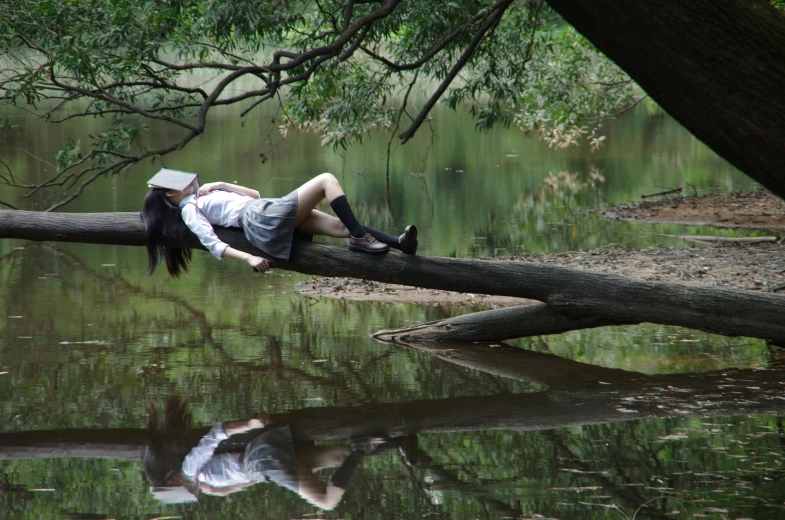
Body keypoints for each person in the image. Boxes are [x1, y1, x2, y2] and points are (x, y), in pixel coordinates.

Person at [141, 169, 418, 277]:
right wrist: (249, 258)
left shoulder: (203, 195)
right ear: (170, 193)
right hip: (260, 218)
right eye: (183, 182)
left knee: (341, 227)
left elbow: (254, 195)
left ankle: (398, 244)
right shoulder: (190, 209)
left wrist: (223, 184)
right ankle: (360, 240)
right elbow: (213, 244)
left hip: (262, 208)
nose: (192, 180)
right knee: (325, 180)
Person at [144, 396, 403, 510]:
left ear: (173, 481)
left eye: (186, 491)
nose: (193, 493)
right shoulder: (202, 480)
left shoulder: (190, 469)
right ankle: (401, 444)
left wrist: (249, 425)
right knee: (339, 457)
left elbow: (214, 436)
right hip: (262, 464)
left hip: (262, 461)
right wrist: (223, 490)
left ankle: (360, 450)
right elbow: (234, 480)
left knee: (326, 501)